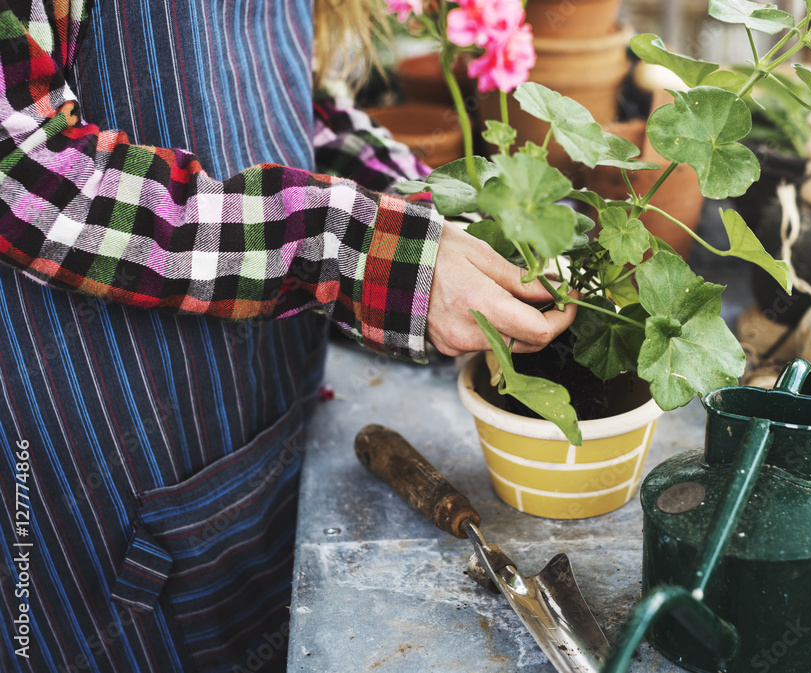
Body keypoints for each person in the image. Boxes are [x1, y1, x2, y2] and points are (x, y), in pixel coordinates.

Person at [0, 0, 575, 669]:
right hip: (115, 445)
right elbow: (24, 174)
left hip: (263, 408)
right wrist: (355, 249)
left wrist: (444, 219)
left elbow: (284, 100)